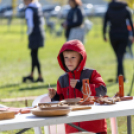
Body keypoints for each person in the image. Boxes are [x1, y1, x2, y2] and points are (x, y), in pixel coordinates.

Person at [48, 40, 107, 134]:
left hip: (94, 127)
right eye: (66, 57)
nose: (69, 61)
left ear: (81, 58)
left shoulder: (91, 74)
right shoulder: (62, 80)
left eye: (73, 57)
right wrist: (54, 96)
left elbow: (102, 90)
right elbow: (60, 104)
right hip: (72, 128)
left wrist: (81, 86)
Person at [103, 0, 134, 82]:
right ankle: (121, 78)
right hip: (123, 34)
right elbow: (130, 22)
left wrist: (104, 35)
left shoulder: (109, 9)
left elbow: (105, 22)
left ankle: (120, 77)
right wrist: (133, 34)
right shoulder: (125, 8)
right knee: (120, 57)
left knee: (119, 56)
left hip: (113, 34)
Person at [23, 0, 45, 83]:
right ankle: (33, 75)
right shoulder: (38, 6)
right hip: (40, 32)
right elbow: (42, 21)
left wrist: (28, 33)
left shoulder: (29, 9)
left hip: (34, 34)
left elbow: (30, 25)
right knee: (34, 54)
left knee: (34, 55)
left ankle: (39, 76)